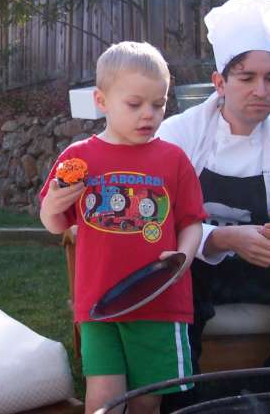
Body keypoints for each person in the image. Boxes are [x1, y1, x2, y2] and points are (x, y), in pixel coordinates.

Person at [157, 0, 270, 400]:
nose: (261, 90)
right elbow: (161, 223)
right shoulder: (178, 134)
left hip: (263, 265)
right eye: (246, 78)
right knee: (176, 268)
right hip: (201, 265)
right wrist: (223, 238)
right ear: (219, 82)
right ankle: (185, 400)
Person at [40, 41, 206, 414]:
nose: (149, 114)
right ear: (102, 101)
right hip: (98, 303)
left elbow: (192, 222)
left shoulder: (174, 159)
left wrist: (183, 257)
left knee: (147, 401)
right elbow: (54, 224)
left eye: (159, 104)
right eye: (135, 104)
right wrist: (52, 205)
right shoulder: (78, 158)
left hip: (157, 302)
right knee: (103, 398)